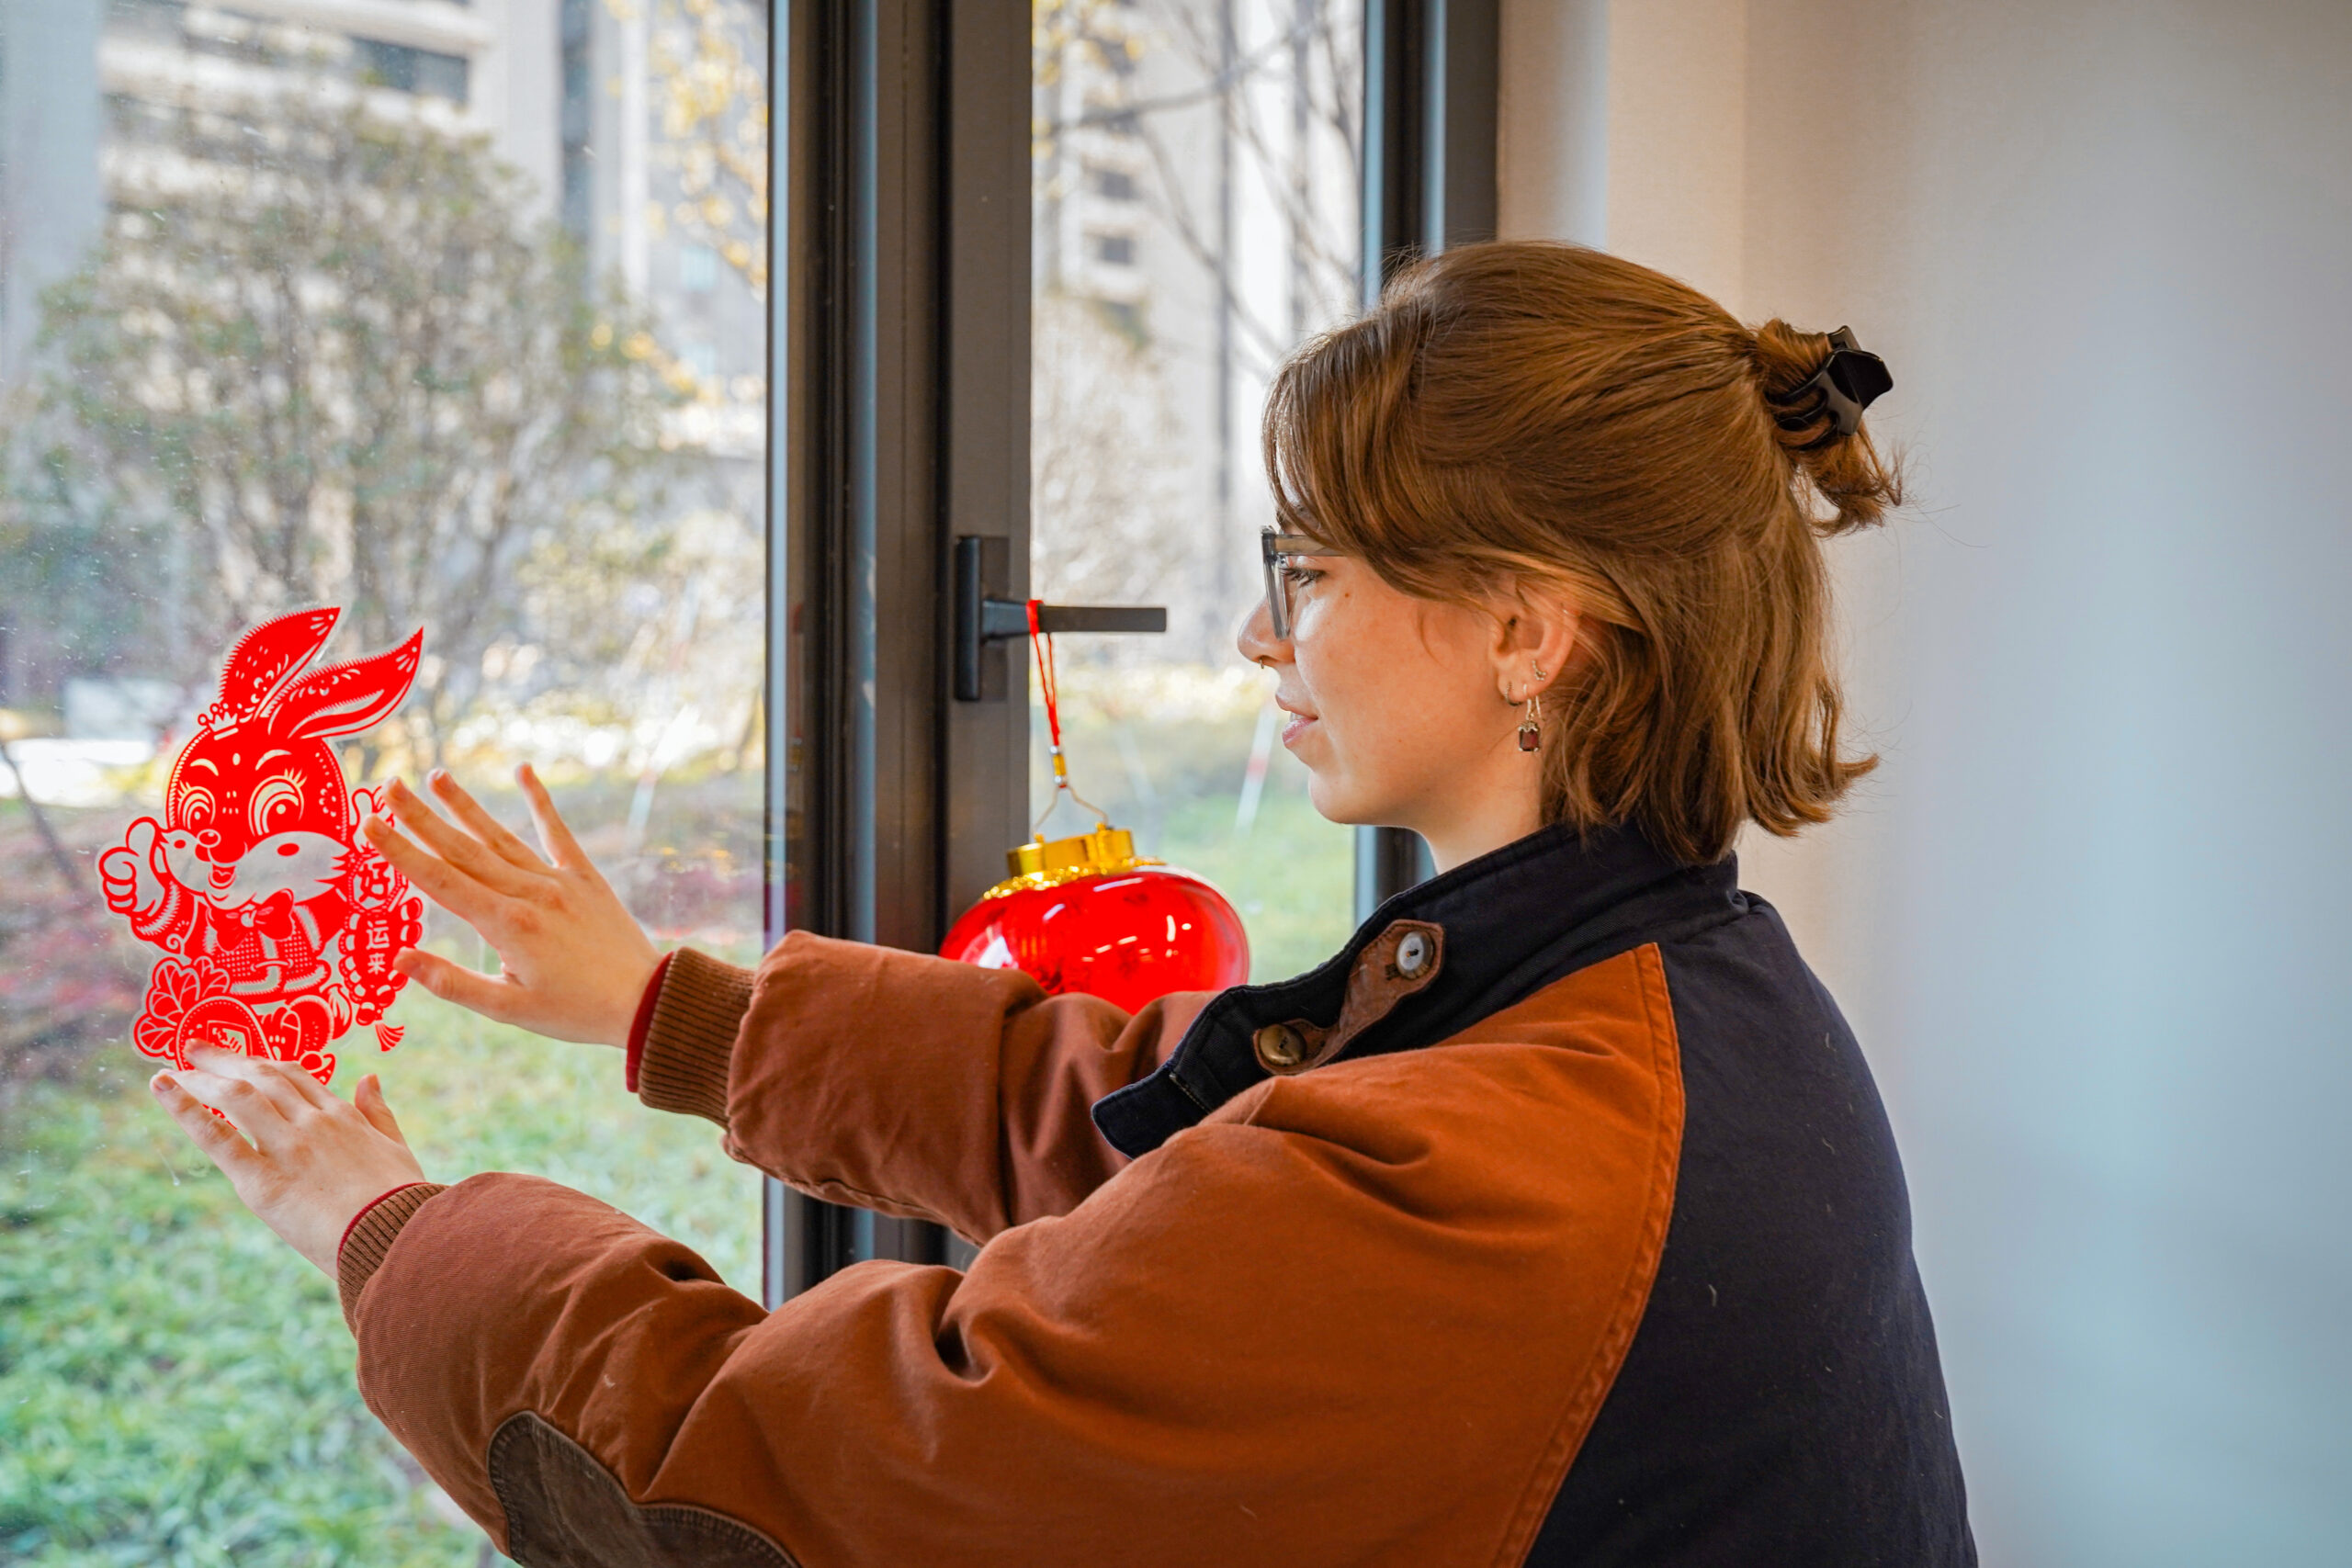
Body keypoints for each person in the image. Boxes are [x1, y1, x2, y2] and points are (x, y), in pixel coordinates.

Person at [152, 242, 1974, 1565]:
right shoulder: (1642, 986)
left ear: (1522, 620)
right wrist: (673, 1009)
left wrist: (381, 1223)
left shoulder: (1508, 1177)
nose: (1264, 628)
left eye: (1308, 564)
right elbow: (1178, 1127)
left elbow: (768, 1482)